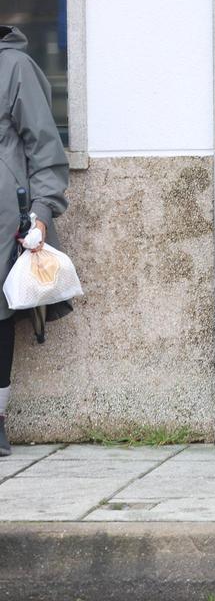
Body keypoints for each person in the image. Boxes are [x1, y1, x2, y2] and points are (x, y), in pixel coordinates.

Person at [0, 25, 69, 456]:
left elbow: (45, 149)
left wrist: (41, 213)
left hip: (5, 218)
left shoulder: (15, 66)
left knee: (0, 318)